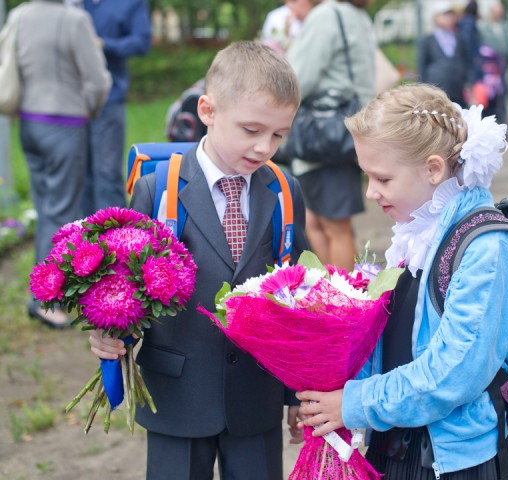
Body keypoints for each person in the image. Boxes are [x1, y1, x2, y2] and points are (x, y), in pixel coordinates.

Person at [88, 41, 309, 480]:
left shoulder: (284, 193)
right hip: (178, 392)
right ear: (207, 111)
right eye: (251, 130)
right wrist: (112, 333)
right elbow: (130, 284)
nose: (265, 146)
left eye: (278, 134)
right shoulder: (158, 189)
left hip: (256, 394)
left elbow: (296, 296)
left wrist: (298, 390)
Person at [297, 83, 508, 479]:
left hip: (453, 463)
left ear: (433, 169)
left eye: (383, 179)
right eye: (366, 176)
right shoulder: (416, 233)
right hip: (397, 445)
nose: (370, 192)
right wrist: (327, 395)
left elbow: (451, 375)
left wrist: (354, 403)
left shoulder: (485, 250)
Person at [16, 0, 111, 328]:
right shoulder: (75, 20)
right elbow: (97, 81)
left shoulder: (19, 15)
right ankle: (46, 301)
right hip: (65, 124)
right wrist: (89, 110)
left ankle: (42, 293)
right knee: (60, 213)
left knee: (45, 207)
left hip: (29, 123)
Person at [286, 0, 375, 272]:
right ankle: (330, 295)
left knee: (335, 227)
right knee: (316, 222)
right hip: (344, 132)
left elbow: (298, 77)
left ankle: (342, 300)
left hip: (325, 137)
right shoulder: (357, 15)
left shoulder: (326, 15)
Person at [81, 0, 151, 216]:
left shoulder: (131, 3)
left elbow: (142, 42)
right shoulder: (71, 3)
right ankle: (81, 240)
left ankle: (113, 240)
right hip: (72, 103)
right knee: (80, 176)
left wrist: (104, 45)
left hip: (109, 98)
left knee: (107, 172)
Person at [418, 5, 472, 107]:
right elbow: (422, 66)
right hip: (435, 92)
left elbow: (466, 62)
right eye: (445, 15)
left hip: (457, 91)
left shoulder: (459, 39)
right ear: (435, 17)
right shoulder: (428, 40)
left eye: (450, 15)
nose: (448, 18)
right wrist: (422, 90)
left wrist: (468, 83)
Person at [478, 2, 508, 124]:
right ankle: (490, 123)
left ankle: (503, 123)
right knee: (490, 97)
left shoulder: (505, 27)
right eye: (497, 11)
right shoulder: (483, 27)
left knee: (503, 96)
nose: (499, 14)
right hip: (490, 69)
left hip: (503, 66)